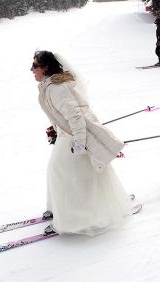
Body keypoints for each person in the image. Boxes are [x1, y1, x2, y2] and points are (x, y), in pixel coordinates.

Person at [31, 50, 134, 236]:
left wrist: (79, 142)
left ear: (45, 68)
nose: (32, 69)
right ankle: (60, 209)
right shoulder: (50, 86)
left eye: (35, 65)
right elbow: (61, 114)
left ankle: (72, 219)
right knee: (67, 173)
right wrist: (55, 128)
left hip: (72, 137)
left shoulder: (56, 88)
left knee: (62, 174)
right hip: (66, 135)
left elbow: (75, 117)